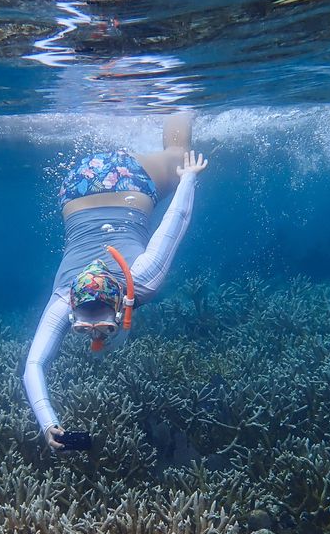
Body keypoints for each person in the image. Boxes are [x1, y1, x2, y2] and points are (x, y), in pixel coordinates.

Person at [23, 114, 208, 451]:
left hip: (131, 185)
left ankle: (179, 103)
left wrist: (189, 178)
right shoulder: (67, 295)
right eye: (92, 330)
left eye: (96, 329)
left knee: (179, 152)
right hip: (77, 183)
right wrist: (47, 422)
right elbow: (32, 364)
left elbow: (177, 221)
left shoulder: (142, 279)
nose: (94, 335)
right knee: (177, 155)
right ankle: (173, 102)